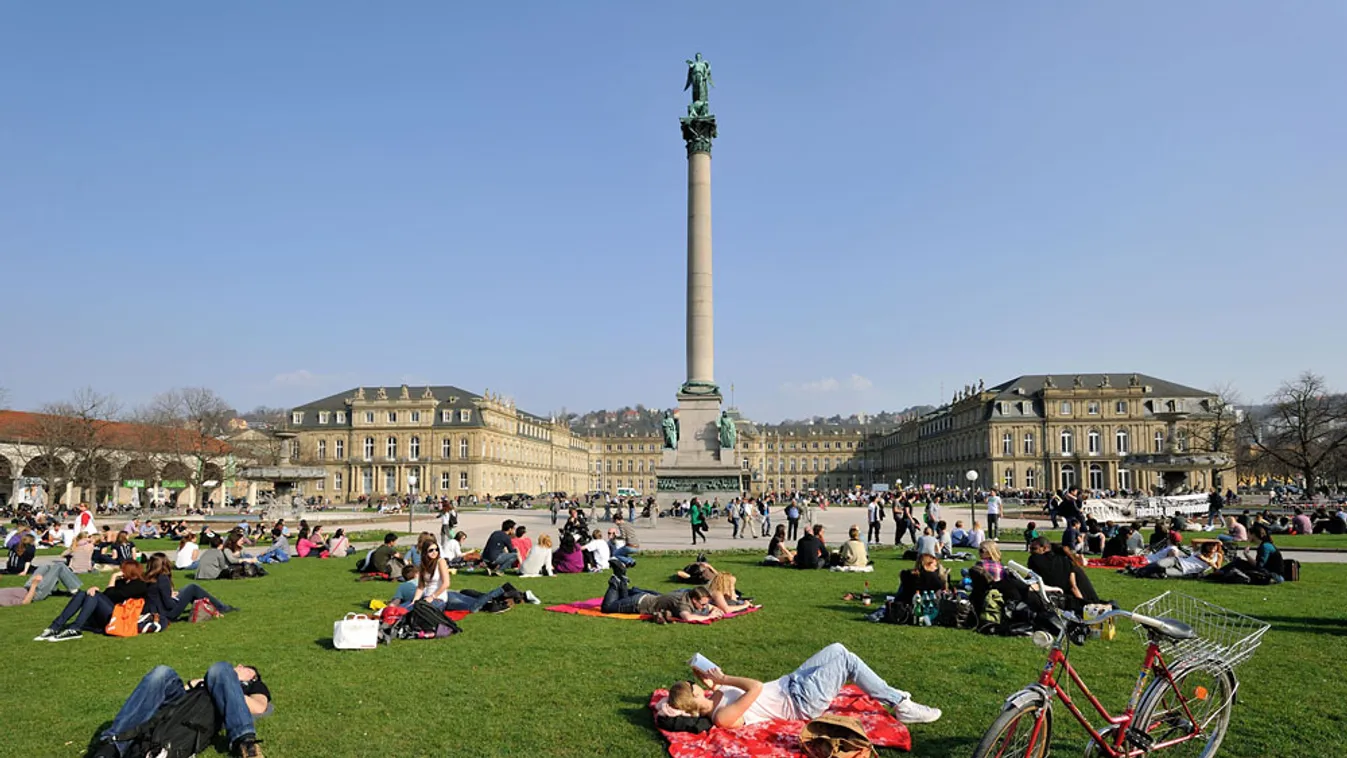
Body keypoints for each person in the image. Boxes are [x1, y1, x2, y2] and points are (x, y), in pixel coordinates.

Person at [666, 643, 941, 727]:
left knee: (838, 649)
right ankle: (900, 704)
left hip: (792, 682)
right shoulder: (722, 717)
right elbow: (756, 687)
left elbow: (716, 685)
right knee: (847, 661)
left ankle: (897, 700)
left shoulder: (712, 697)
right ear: (694, 698)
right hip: (801, 703)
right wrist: (724, 680)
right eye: (693, 685)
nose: (696, 683)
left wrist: (705, 673)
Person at [87, 662, 269, 758]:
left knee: (220, 667)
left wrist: (226, 684)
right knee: (162, 672)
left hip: (208, 707)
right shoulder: (211, 678)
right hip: (184, 701)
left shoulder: (253, 686)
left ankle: (246, 743)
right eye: (237, 666)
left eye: (243, 668)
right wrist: (195, 683)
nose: (237, 667)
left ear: (252, 677)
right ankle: (112, 745)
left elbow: (260, 707)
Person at [35, 561, 150, 642]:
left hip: (119, 617)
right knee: (83, 594)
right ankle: (55, 626)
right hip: (112, 612)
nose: (120, 571)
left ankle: (75, 628)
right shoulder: (122, 582)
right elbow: (107, 595)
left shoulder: (138, 585)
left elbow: (112, 596)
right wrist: (95, 590)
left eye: (123, 569)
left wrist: (113, 577)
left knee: (93, 595)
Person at [144, 553, 236, 624]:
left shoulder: (147, 578)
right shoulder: (162, 578)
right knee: (192, 588)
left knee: (187, 590)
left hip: (155, 611)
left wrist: (171, 595)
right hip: (167, 614)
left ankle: (205, 608)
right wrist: (173, 597)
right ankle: (221, 607)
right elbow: (169, 605)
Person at [600, 568, 718, 623]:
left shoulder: (687, 595)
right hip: (638, 604)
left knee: (621, 599)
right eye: (702, 604)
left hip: (644, 597)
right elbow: (688, 617)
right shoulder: (683, 604)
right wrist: (709, 616)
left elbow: (705, 606)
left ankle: (623, 581)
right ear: (694, 600)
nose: (704, 607)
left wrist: (713, 609)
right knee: (607, 608)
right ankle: (615, 582)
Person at [1027, 536, 1102, 613]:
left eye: (1033, 549)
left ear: (1045, 548)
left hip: (1071, 600)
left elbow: (1073, 587)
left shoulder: (1035, 559)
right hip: (1089, 600)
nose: (1030, 551)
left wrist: (1084, 606)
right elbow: (1074, 587)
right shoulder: (1066, 561)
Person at [0, 561, 83, 607]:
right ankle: (74, 591)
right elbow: (25, 602)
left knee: (44, 566)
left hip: (27, 587)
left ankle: (53, 590)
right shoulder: (2, 601)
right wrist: (34, 585)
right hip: (36, 593)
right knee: (59, 566)